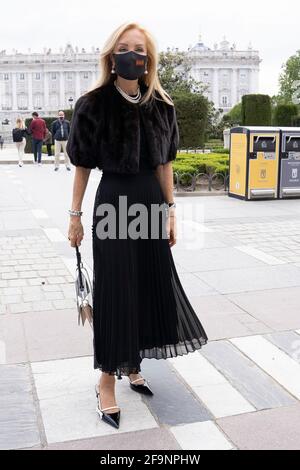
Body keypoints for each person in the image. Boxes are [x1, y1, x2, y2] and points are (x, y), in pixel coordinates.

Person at [67, 22, 208, 430]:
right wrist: (74, 217)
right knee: (115, 291)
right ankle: (106, 379)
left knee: (148, 284)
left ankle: (133, 363)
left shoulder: (162, 105)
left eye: (140, 49)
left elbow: (165, 164)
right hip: (113, 202)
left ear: (149, 59)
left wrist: (171, 212)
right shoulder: (93, 104)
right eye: (125, 48)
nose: (133, 55)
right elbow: (81, 166)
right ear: (112, 56)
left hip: (149, 202)